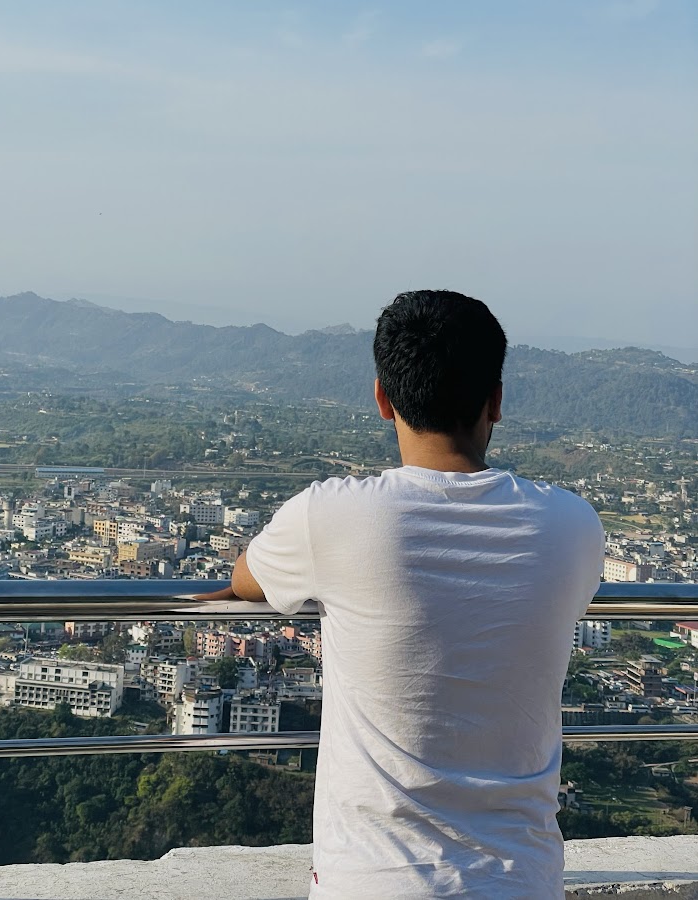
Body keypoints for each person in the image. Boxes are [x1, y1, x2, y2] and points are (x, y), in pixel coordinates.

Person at [224, 290, 605, 898]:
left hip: (372, 881)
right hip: (522, 879)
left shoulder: (331, 517)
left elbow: (247, 578)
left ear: (382, 398)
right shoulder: (572, 526)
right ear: (496, 400)